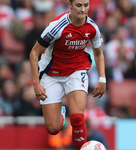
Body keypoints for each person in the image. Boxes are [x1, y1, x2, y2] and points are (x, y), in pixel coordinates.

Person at [29, 0, 106, 149]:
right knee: (53, 128)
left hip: (76, 71)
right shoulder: (56, 26)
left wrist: (102, 78)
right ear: (69, 5)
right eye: (79, 5)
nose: (83, 9)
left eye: (86, 5)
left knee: (77, 117)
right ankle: (61, 113)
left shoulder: (92, 27)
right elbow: (34, 53)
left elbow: (98, 53)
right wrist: (36, 83)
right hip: (51, 73)